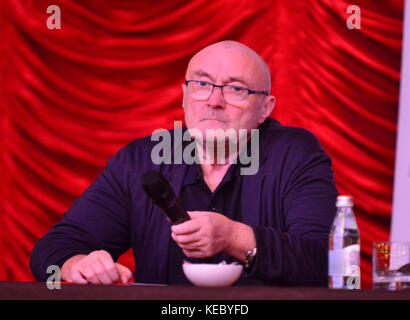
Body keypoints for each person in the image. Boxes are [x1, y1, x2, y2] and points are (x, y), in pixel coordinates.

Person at [30, 40, 338, 286]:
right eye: (201, 85)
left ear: (264, 109)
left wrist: (234, 238)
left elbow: (322, 263)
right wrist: (79, 265)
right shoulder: (140, 160)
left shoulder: (297, 153)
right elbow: (53, 250)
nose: (214, 101)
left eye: (236, 89)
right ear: (183, 96)